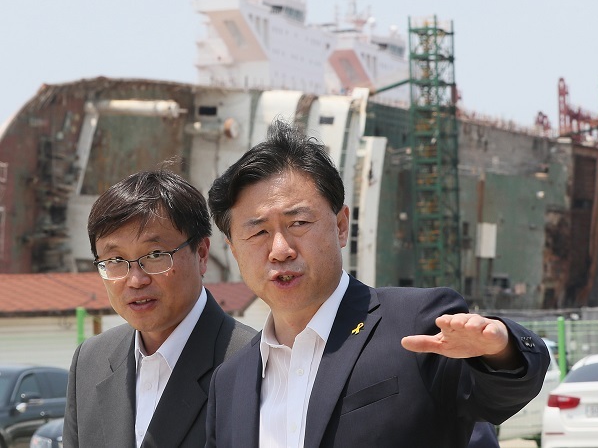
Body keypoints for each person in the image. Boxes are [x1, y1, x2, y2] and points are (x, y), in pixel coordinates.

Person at [205, 120, 550, 447]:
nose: (280, 250)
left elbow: (494, 394)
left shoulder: (414, 324)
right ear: (234, 249)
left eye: (298, 223)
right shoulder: (229, 382)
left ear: (341, 226)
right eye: (259, 232)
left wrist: (500, 352)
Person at [63, 169, 256, 448]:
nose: (136, 280)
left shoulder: (252, 362)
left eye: (155, 255)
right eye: (115, 259)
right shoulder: (90, 361)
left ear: (201, 254)